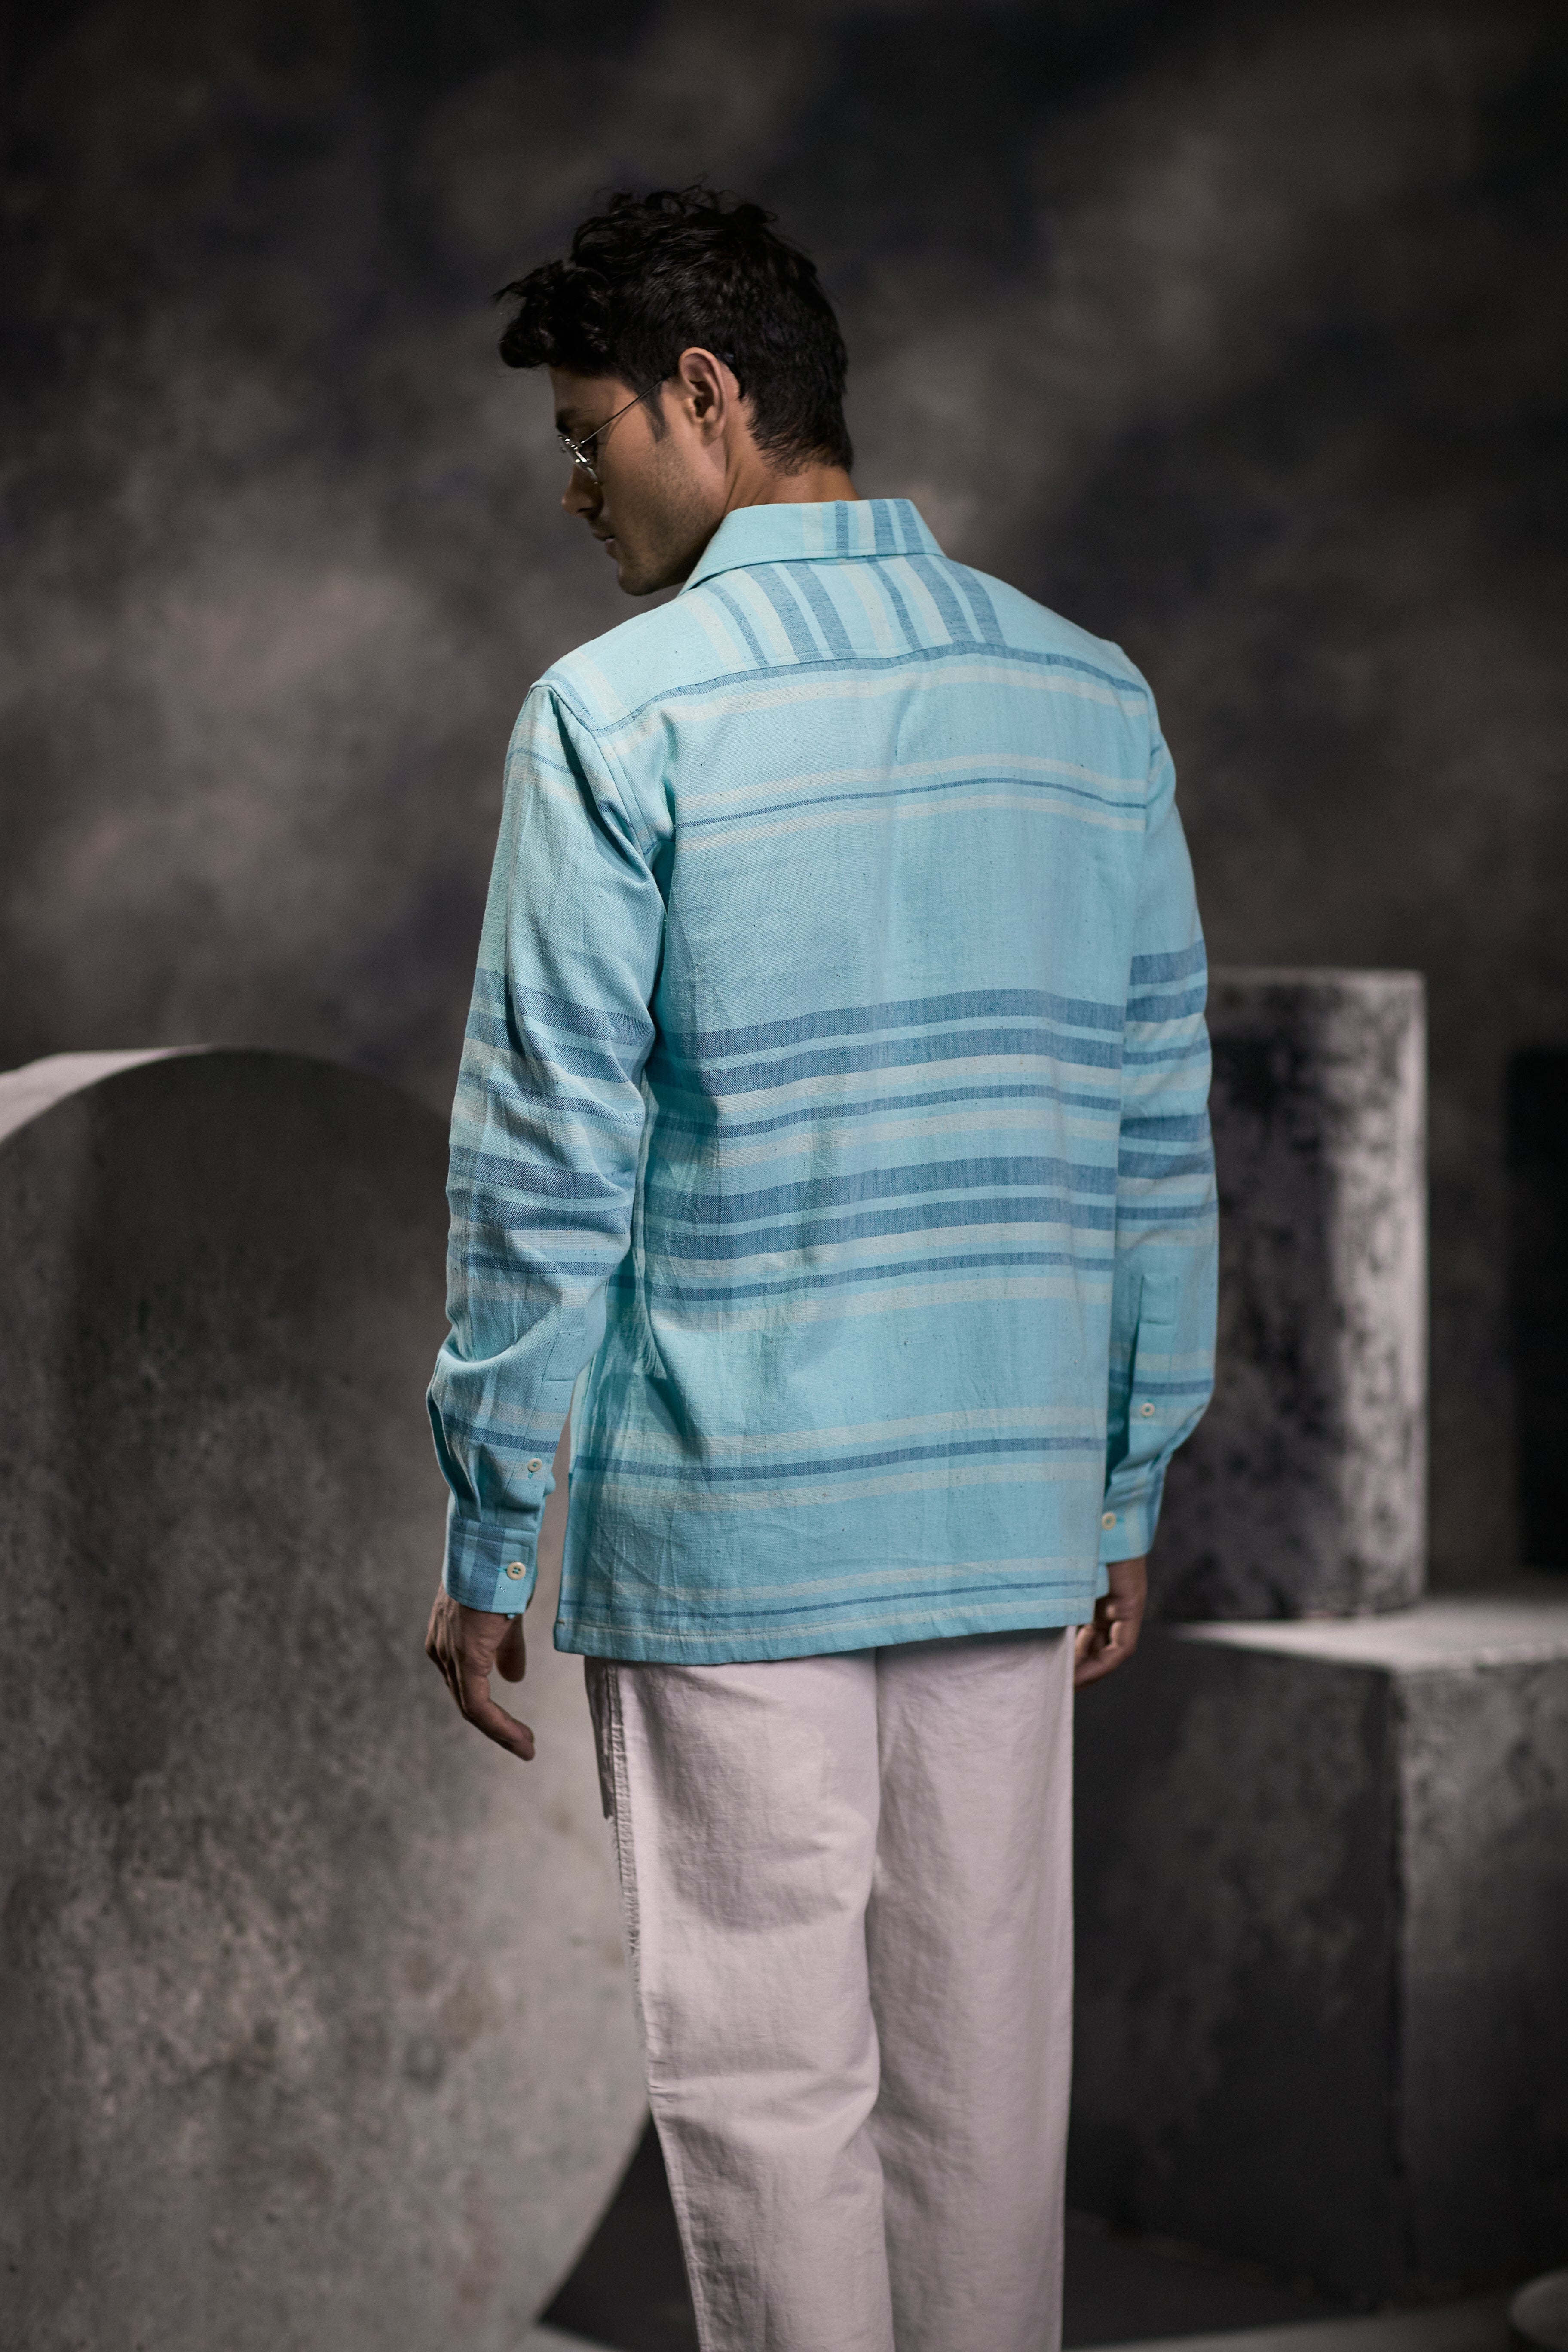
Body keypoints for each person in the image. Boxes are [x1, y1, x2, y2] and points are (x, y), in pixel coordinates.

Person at [425, 186, 1216, 2352]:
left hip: (733, 1522)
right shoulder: (1090, 698)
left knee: (773, 2100)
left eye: (587, 432)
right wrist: (1127, 1477)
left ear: (706, 394)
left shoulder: (616, 717)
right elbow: (1156, 1125)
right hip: (1004, 1511)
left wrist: (492, 1524)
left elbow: (548, 1156)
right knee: (986, 2098)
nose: (575, 486)